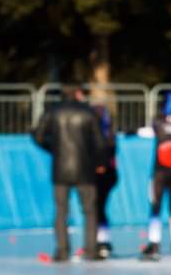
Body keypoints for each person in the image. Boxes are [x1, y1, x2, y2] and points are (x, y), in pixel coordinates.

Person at [31, 85, 107, 262]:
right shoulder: (88, 113)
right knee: (89, 211)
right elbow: (100, 142)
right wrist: (100, 163)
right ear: (78, 94)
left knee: (61, 211)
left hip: (60, 169)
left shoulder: (53, 112)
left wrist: (54, 149)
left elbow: (38, 136)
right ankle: (90, 250)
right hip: (85, 169)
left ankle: (63, 251)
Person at [141, 91, 171, 260]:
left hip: (160, 172)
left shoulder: (158, 122)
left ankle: (154, 245)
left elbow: (154, 129)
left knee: (156, 207)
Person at [89, 99, 118, 258]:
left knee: (97, 207)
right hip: (108, 174)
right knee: (98, 207)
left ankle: (101, 241)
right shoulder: (108, 133)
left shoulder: (104, 135)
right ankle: (102, 240)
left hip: (104, 174)